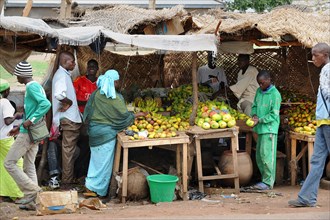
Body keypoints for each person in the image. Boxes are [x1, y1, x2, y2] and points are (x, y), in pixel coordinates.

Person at [83, 70, 147, 198]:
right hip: (105, 135)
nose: (118, 83)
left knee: (96, 162)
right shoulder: (113, 97)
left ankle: (90, 186)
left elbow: (89, 111)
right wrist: (136, 115)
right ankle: (96, 190)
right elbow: (123, 116)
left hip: (94, 132)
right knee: (104, 164)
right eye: (117, 81)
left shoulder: (96, 94)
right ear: (114, 82)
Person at [4, 61, 51, 210]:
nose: (16, 77)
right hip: (33, 132)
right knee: (29, 165)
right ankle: (34, 201)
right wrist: (21, 126)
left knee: (9, 163)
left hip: (29, 133)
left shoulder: (31, 87)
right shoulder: (36, 86)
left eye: (17, 74)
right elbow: (34, 108)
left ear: (22, 75)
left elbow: (45, 104)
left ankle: (32, 191)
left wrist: (30, 121)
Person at [288, 43, 330, 207]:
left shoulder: (327, 70)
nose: (312, 59)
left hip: (327, 122)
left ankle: (307, 198)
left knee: (317, 161)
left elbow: (328, 94)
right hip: (323, 122)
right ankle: (306, 198)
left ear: (325, 55)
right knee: (317, 161)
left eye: (315, 55)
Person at [52, 51, 82, 186]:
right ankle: (66, 183)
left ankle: (67, 176)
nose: (74, 64)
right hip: (69, 120)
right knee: (69, 152)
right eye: (72, 61)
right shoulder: (61, 77)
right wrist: (69, 102)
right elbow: (59, 95)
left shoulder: (64, 75)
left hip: (70, 119)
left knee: (73, 151)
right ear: (65, 61)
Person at [250, 70, 282, 190]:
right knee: (260, 156)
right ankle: (264, 179)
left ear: (269, 80)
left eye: (262, 83)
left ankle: (268, 182)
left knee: (267, 156)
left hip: (269, 129)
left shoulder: (275, 94)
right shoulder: (259, 91)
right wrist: (253, 115)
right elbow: (254, 105)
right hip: (260, 129)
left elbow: (274, 115)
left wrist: (261, 120)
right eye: (259, 83)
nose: (260, 85)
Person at [73, 59, 99, 178]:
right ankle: (79, 172)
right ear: (87, 68)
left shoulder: (99, 83)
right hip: (80, 118)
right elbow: (72, 99)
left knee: (90, 147)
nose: (91, 68)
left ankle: (86, 172)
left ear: (97, 69)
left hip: (94, 120)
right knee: (82, 145)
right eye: (89, 66)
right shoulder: (79, 81)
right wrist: (88, 103)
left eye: (94, 66)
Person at [0, 78, 24, 202]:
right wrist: (17, 115)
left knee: (2, 165)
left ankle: (2, 193)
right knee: (16, 163)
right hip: (5, 138)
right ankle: (17, 194)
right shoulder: (5, 103)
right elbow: (8, 120)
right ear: (7, 91)